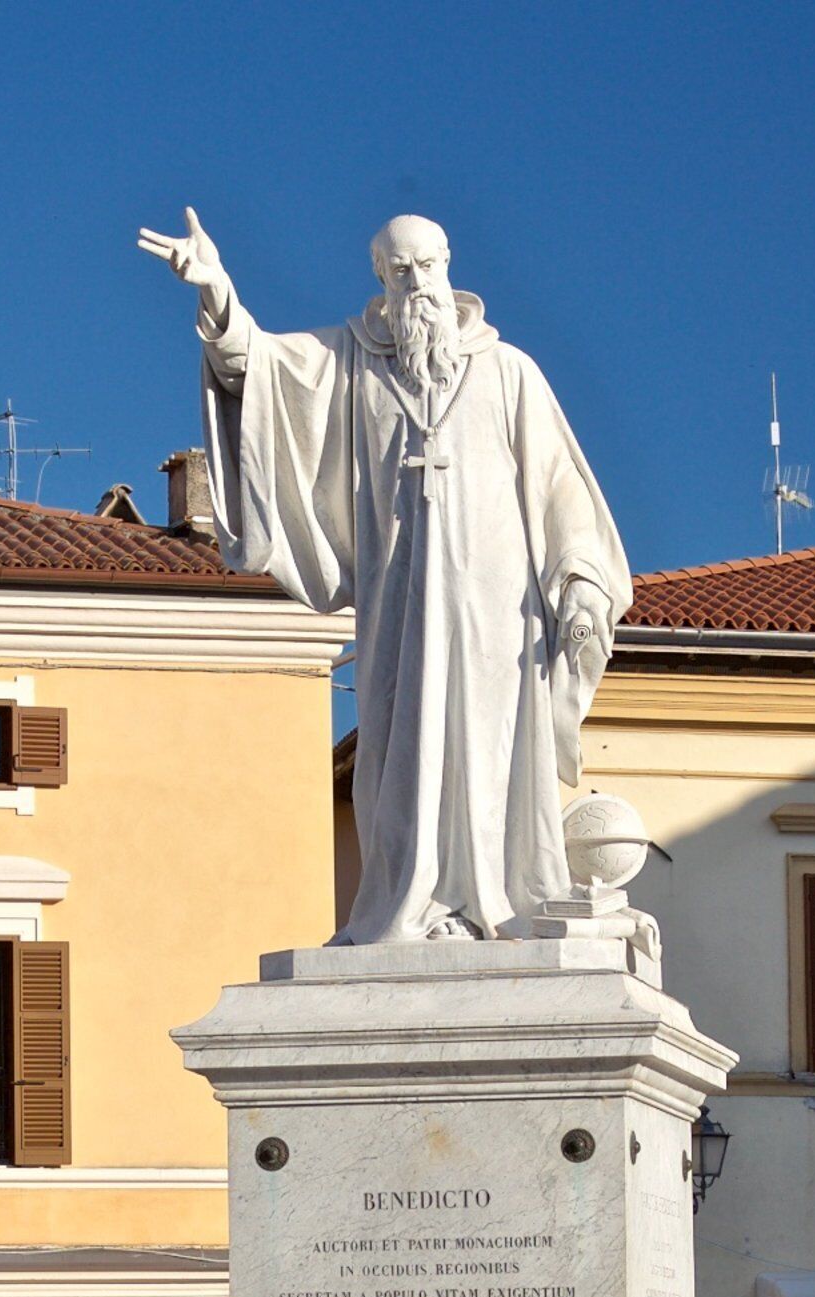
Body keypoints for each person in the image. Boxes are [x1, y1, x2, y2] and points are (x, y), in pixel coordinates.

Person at [138, 209, 629, 945]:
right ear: (380, 277)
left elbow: (562, 488)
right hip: (399, 601)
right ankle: (415, 898)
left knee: (493, 745)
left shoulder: (509, 371)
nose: (416, 281)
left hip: (502, 607)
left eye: (427, 265)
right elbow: (257, 368)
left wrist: (582, 580)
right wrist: (216, 293)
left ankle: (492, 896)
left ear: (449, 264)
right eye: (400, 270)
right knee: (404, 743)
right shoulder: (349, 362)